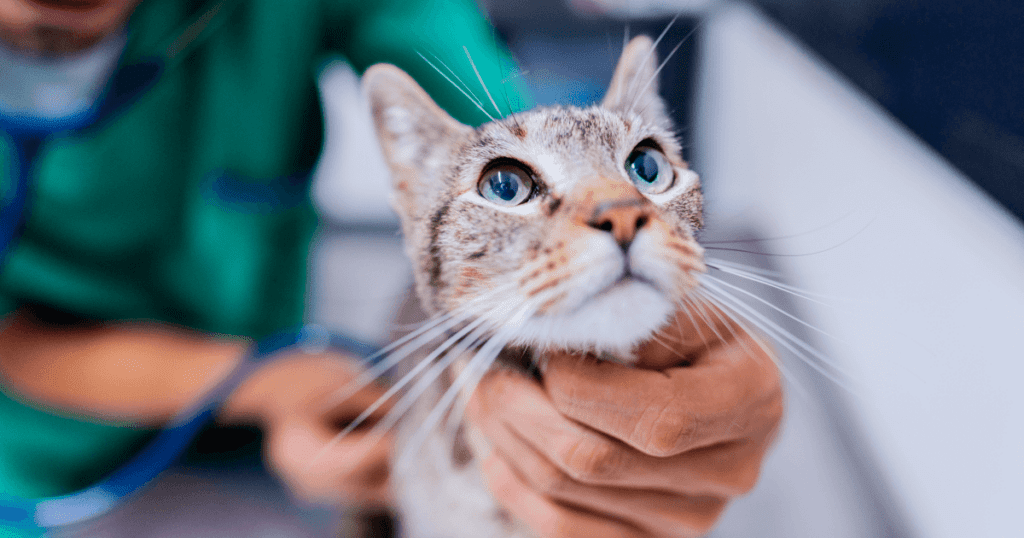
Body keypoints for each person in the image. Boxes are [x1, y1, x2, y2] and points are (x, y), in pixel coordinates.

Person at [0, 1, 783, 537]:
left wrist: (633, 306)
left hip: (279, 429)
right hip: (41, 457)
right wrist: (265, 382)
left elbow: (487, 140)